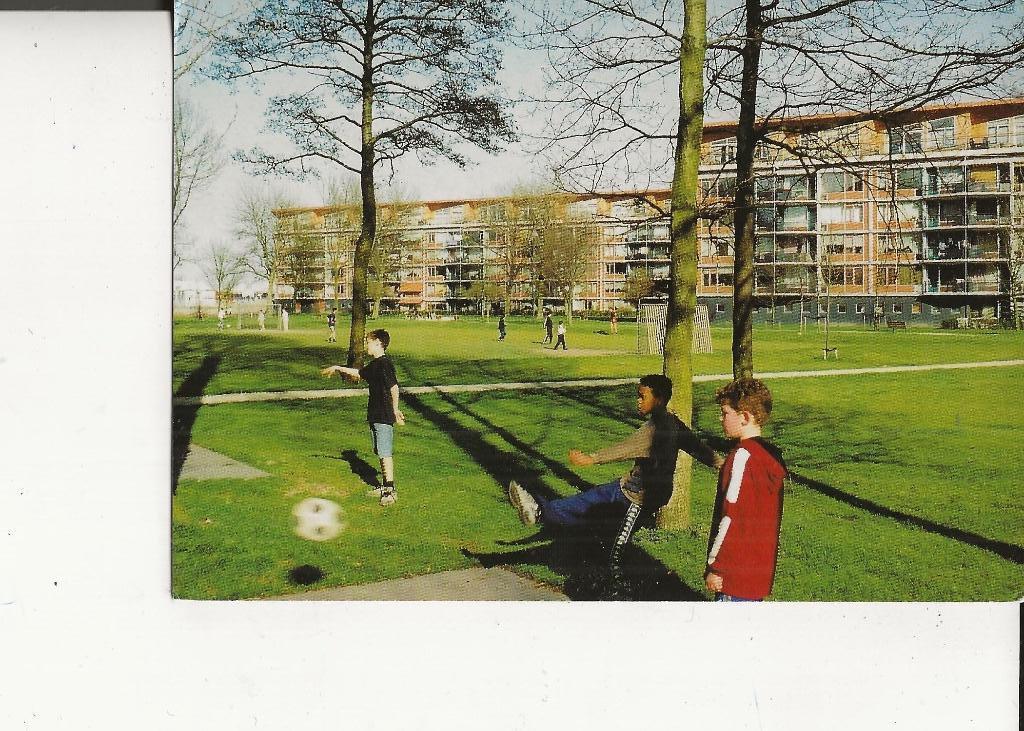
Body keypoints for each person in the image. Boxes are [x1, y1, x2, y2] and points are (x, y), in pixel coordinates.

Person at [508, 375, 720, 564]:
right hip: (625, 488)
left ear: (659, 400)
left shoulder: (656, 430)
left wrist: (591, 458)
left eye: (642, 397)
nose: (638, 401)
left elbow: (624, 449)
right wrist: (721, 463)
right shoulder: (673, 424)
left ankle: (616, 585)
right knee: (586, 508)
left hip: (637, 499)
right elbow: (698, 448)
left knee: (614, 548)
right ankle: (539, 511)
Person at [705, 378, 787, 602]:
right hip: (757, 575)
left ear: (745, 417)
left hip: (732, 577)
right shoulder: (769, 457)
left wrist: (716, 566)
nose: (721, 419)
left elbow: (731, 516)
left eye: (725, 413)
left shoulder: (742, 457)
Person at [321, 329, 405, 506]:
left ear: (378, 343)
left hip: (383, 415)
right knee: (380, 451)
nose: (367, 345)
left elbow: (394, 387)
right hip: (375, 414)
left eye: (369, 342)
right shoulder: (375, 364)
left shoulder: (384, 364)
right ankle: (384, 486)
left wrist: (395, 410)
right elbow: (359, 373)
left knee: (385, 452)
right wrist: (337, 368)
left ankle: (390, 491)